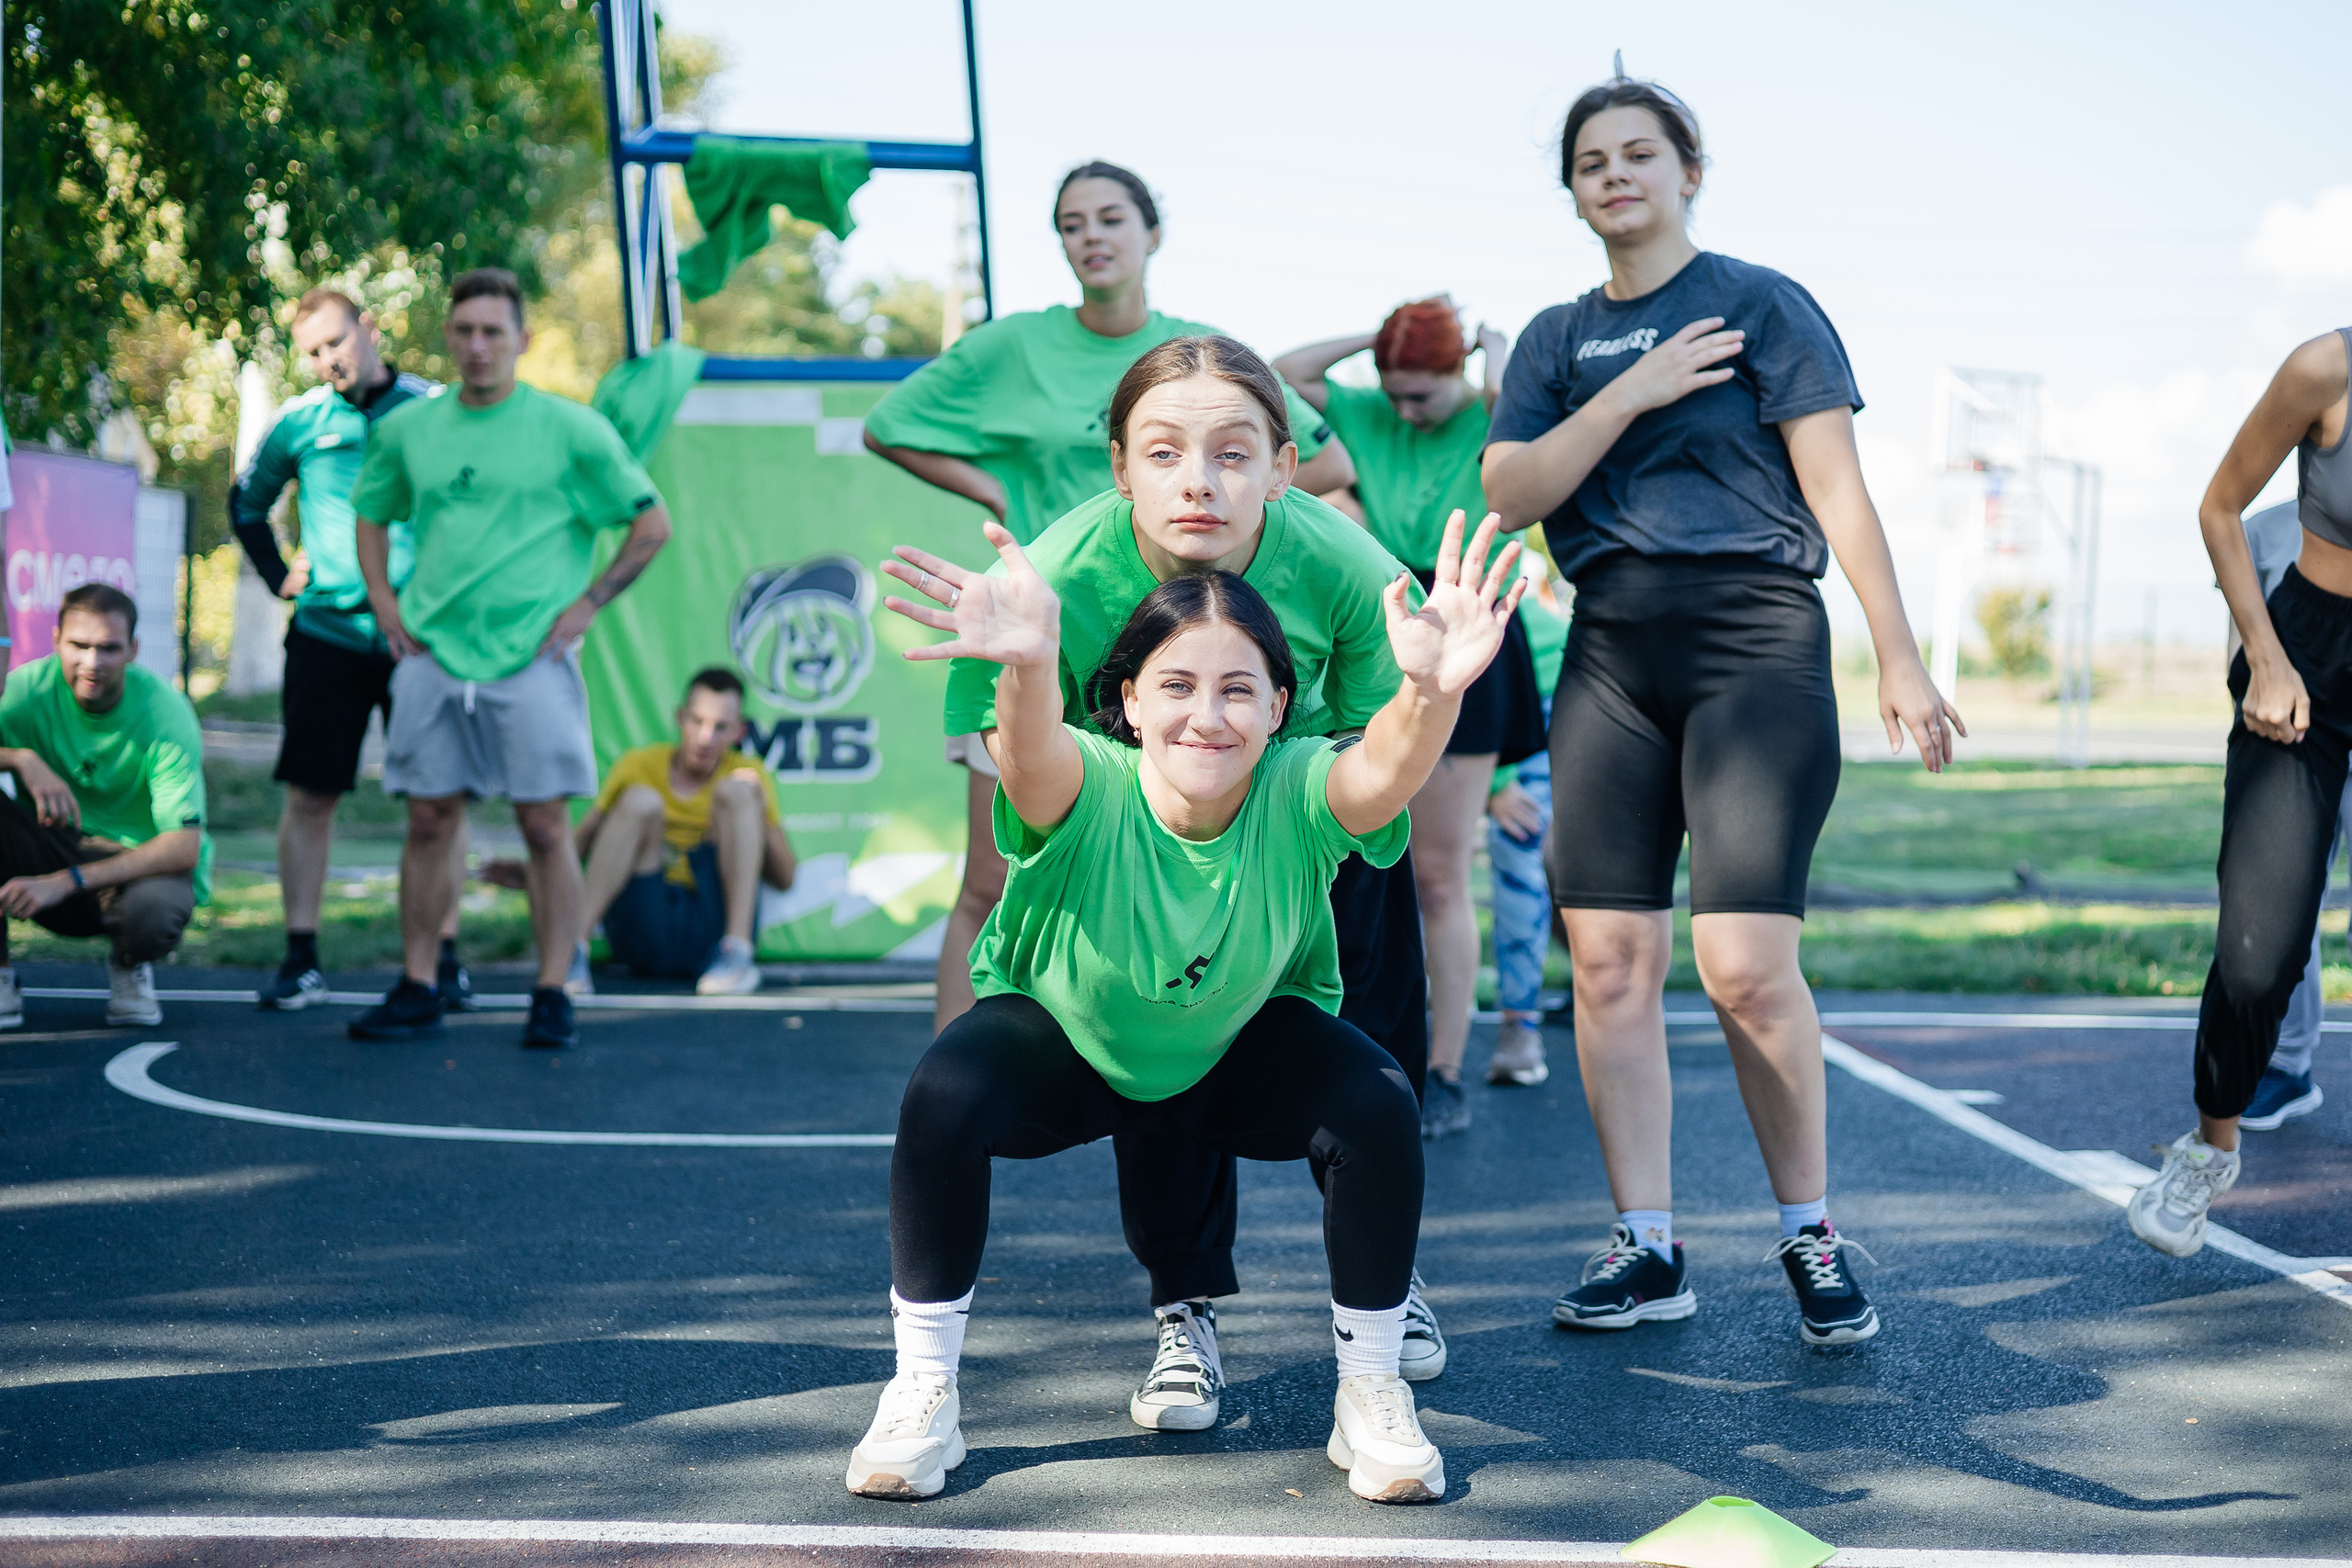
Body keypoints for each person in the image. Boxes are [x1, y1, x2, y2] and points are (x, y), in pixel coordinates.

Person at [850, 504, 1524, 1505]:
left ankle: (1372, 1392)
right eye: (1176, 685)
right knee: (946, 1086)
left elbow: (1380, 776)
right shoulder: (1090, 780)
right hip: (1071, 1048)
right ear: (1125, 700)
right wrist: (1029, 666)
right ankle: (923, 1392)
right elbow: (1029, 760)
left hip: (1232, 1054)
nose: (1206, 714)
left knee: (1376, 1096)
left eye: (1237, 689)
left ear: (1279, 708)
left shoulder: (1297, 786)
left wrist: (1428, 689)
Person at [1480, 73, 1962, 1347]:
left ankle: (1810, 1229)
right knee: (1607, 958)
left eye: (1641, 152)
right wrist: (1629, 389)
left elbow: (1840, 491)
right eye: (1592, 161)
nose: (1617, 174)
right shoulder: (1553, 339)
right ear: (1575, 192)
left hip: (1757, 635)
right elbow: (1515, 487)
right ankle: (1648, 1246)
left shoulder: (1762, 304)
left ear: (1690, 170)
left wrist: (1898, 655)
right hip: (1611, 645)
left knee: (1744, 964)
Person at [935, 335, 1447, 1423]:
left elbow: (1373, 753)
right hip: (1139, 833)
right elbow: (1005, 752)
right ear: (1119, 466)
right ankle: (1184, 1309)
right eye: (1164, 454)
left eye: (1232, 452)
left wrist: (1282, 811)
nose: (1198, 481)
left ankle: (1387, 1287)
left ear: (1285, 463)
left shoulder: (1348, 569)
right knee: (1155, 1048)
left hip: (1306, 820)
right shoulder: (1060, 572)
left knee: (1372, 1066)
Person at [861, 161, 1351, 1032]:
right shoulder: (1011, 347)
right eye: (1072, 223)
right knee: (993, 878)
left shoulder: (1198, 349)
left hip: (1178, 643)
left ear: (1151, 233)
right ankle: (953, 1086)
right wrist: (999, 495)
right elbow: (889, 424)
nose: (1092, 236)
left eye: (1111, 218)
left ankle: (1165, 1079)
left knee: (1171, 888)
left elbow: (1329, 465)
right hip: (1042, 626)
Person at [346, 267, 672, 1051]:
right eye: (464, 331)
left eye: (494, 331)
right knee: (428, 820)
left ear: (523, 340)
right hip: (431, 654)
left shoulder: (571, 429)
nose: (478, 345)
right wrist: (384, 606)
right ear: (448, 339)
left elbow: (651, 524)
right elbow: (370, 513)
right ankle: (420, 982)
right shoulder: (409, 430)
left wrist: (589, 601)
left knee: (546, 827)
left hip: (531, 657)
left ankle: (554, 988)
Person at [1277, 300, 1546, 1137]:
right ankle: (1364, 1058)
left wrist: (1491, 347)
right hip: (1373, 629)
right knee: (1358, 869)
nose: (1403, 410)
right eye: (1393, 392)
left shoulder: (1489, 415)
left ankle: (1444, 1069)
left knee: (1437, 873)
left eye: (1422, 395)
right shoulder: (1361, 407)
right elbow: (1284, 376)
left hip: (1467, 628)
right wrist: (1380, 341)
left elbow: (1518, 404)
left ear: (1460, 377)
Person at [2128, 327, 2352, 1258]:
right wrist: (2265, 658)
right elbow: (2220, 509)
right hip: (2309, 660)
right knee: (2259, 953)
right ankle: (2209, 1148)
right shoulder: (2326, 368)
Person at [230, 286, 472, 1012]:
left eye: (335, 341)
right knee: (311, 795)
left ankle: (444, 960)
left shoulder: (436, 409)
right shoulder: (300, 421)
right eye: (311, 351)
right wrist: (279, 577)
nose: (327, 359)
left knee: (437, 803)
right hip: (327, 634)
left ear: (369, 328)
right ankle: (300, 956)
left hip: (421, 641)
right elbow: (247, 505)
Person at [0, 585, 211, 1029]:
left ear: (133, 650)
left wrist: (65, 881)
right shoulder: (23, 693)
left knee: (154, 914)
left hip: (130, 868)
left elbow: (184, 846)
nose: (92, 663)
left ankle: (128, 964)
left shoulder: (165, 713)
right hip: (50, 848)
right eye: (79, 645)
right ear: (56, 639)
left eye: (109, 648)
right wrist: (20, 758)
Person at [537, 667, 796, 995]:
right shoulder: (638, 765)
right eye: (697, 721)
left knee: (736, 793)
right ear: (680, 718)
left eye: (720, 727)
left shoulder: (749, 773)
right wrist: (531, 875)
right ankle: (573, 951)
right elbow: (578, 845)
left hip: (711, 926)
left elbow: (786, 878)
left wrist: (758, 809)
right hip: (645, 922)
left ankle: (737, 953)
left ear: (738, 732)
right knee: (640, 800)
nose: (705, 738)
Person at [2224, 501, 2334, 1132]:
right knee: (2285, 910)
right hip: (2292, 745)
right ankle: (2288, 1066)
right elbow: (2237, 647)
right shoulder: (2261, 530)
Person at [1484, 558, 1574, 1088]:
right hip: (1489, 684)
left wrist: (1497, 782)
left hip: (1542, 685)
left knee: (1519, 844)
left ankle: (1520, 1027)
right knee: (1546, 856)